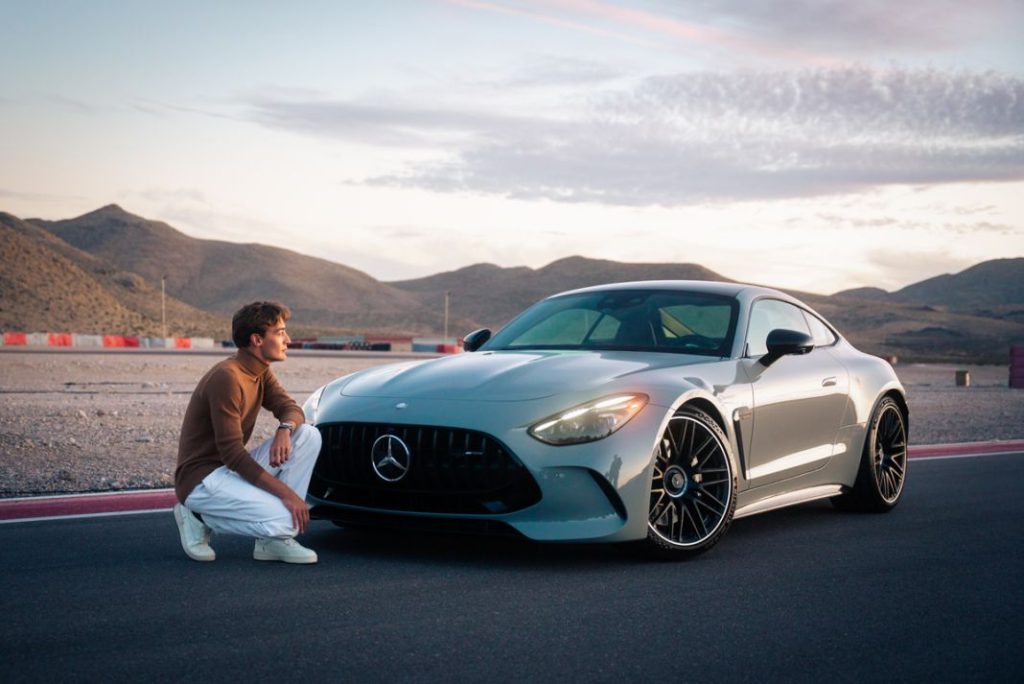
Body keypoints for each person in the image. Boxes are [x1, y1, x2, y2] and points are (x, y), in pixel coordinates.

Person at [173, 301, 322, 564]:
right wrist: (287, 496)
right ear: (257, 339)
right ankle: (195, 515)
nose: (287, 339)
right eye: (280, 332)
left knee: (308, 435)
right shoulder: (227, 377)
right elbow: (232, 454)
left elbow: (291, 408)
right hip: (202, 479)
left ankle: (270, 544)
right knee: (290, 521)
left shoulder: (260, 371)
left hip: (227, 471)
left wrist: (284, 430)